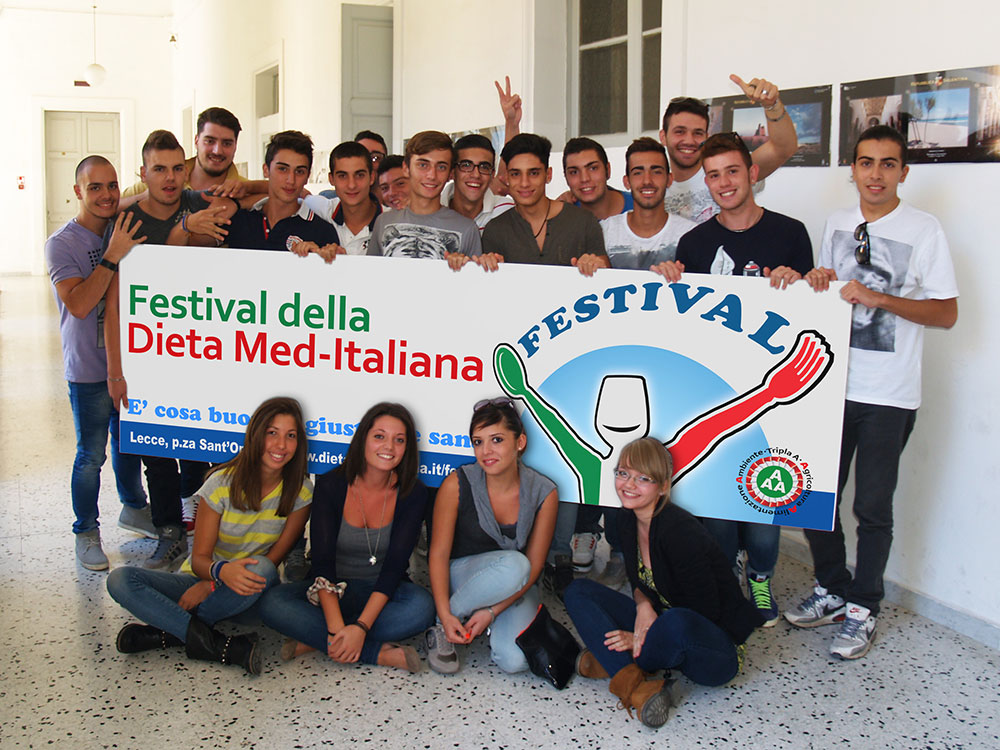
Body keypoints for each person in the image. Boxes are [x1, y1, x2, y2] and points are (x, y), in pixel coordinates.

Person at [787, 125, 958, 659]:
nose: (876, 174)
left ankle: (864, 608)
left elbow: (946, 313)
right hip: (831, 385)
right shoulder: (837, 222)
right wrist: (815, 281)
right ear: (854, 169)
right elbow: (828, 292)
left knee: (873, 508)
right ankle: (833, 588)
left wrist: (880, 299)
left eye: (887, 164)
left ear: (903, 172)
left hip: (889, 393)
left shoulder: (924, 229)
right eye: (866, 162)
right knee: (813, 497)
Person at [653, 131, 812, 624]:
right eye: (714, 175)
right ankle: (725, 578)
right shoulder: (694, 243)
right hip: (713, 391)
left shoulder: (791, 233)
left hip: (774, 391)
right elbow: (682, 320)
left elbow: (812, 306)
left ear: (753, 174)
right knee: (718, 501)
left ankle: (760, 577)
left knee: (764, 502)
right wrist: (666, 279)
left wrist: (804, 282)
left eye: (732, 172)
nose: (724, 183)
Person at [476, 132, 609, 596]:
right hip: (515, 362)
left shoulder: (581, 222)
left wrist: (598, 264)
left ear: (549, 175)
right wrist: (483, 266)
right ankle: (515, 549)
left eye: (534, 173)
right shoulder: (496, 230)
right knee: (521, 457)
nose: (525, 182)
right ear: (505, 178)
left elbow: (604, 283)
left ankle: (558, 557)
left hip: (571, 365)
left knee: (564, 463)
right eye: (515, 174)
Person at [569, 137, 698, 584]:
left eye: (655, 170)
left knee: (655, 462)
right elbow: (581, 288)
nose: (647, 180)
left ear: (669, 178)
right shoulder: (603, 230)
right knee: (605, 452)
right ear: (625, 180)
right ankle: (600, 538)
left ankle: (641, 554)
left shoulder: (690, 236)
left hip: (669, 363)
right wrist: (588, 267)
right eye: (638, 171)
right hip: (610, 363)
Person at [564, 438, 763, 728]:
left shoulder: (680, 532)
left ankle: (620, 664)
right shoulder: (627, 518)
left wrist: (641, 638)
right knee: (578, 591)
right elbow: (638, 581)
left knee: (677, 621)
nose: (629, 485)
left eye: (643, 478)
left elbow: (702, 614)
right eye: (623, 473)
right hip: (663, 622)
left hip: (714, 647)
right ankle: (636, 685)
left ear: (663, 486)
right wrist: (643, 605)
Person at [102, 130, 233, 569]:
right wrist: (116, 372)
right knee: (156, 454)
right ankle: (169, 531)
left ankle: (198, 527)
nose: (170, 178)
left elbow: (243, 200)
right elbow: (116, 305)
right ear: (143, 173)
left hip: (196, 353)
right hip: (146, 358)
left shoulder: (197, 204)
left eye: (178, 168)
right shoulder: (127, 221)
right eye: (159, 169)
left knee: (197, 447)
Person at [106, 397, 312, 675]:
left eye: (291, 436)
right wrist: (215, 578)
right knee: (120, 579)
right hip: (202, 578)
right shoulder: (220, 483)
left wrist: (212, 587)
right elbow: (200, 559)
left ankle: (172, 631)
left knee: (263, 568)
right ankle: (215, 644)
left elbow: (273, 560)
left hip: (252, 591)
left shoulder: (301, 491)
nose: (281, 445)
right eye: (272, 433)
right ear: (255, 435)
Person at [258, 402, 434, 672]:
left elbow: (393, 569)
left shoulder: (414, 493)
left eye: (399, 440)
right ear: (363, 438)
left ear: (407, 448)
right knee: (272, 603)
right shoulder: (331, 484)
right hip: (330, 592)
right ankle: (372, 652)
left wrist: (361, 627)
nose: (389, 447)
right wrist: (335, 627)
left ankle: (318, 641)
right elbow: (322, 564)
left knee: (422, 608)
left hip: (383, 592)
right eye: (379, 436)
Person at [45, 155, 156, 570]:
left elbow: (163, 194)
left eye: (112, 186)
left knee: (128, 444)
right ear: (78, 191)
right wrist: (112, 256)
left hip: (129, 363)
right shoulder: (61, 244)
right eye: (95, 187)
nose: (106, 195)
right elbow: (79, 304)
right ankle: (86, 530)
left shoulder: (121, 221)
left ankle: (134, 507)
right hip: (88, 369)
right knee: (91, 456)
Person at [425, 399, 558, 674]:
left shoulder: (544, 491)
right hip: (463, 577)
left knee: (515, 661)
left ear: (520, 442)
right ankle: (442, 623)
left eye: (497, 440)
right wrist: (445, 613)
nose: (486, 451)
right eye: (478, 442)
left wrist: (492, 611)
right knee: (515, 564)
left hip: (516, 583)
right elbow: (437, 555)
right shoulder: (457, 483)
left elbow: (534, 568)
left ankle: (480, 615)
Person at [660, 74, 798, 223]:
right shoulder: (654, 188)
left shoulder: (733, 171)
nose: (689, 140)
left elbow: (783, 148)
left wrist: (772, 105)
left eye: (698, 133)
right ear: (663, 137)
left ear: (707, 136)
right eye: (679, 131)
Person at [219, 130, 342, 257]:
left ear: (307, 177)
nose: (291, 180)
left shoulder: (323, 232)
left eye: (299, 171)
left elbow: (332, 268)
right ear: (266, 170)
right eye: (282, 169)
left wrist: (316, 258)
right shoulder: (237, 219)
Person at [367, 131, 481, 259]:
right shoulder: (384, 222)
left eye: (441, 167)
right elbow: (370, 270)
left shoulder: (467, 229)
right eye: (423, 165)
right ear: (406, 168)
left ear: (450, 174)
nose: (432, 175)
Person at [122, 107, 248, 198]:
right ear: (196, 141)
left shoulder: (244, 191)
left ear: (235, 146)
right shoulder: (159, 179)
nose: (217, 151)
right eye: (210, 141)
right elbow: (113, 206)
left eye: (227, 143)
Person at [303, 140, 382, 255]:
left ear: (372, 177)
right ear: (331, 179)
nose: (351, 185)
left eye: (359, 175)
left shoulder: (390, 221)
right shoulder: (319, 210)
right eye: (342, 176)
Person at [440, 134, 514, 231]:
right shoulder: (432, 210)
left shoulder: (507, 211)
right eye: (466, 165)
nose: (476, 175)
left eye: (484, 167)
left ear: (492, 174)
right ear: (452, 172)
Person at [562, 137, 633, 221]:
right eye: (574, 172)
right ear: (566, 177)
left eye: (593, 168)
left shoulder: (639, 206)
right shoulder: (564, 217)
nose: (584, 179)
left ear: (608, 170)